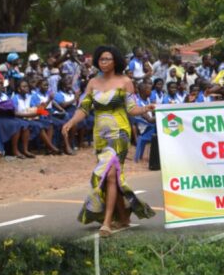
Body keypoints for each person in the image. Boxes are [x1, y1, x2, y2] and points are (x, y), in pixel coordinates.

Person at [61, 45, 156, 236]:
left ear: (116, 61)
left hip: (119, 132)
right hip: (100, 135)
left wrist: (146, 108)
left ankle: (106, 222)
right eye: (101, 59)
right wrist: (70, 122)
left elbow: (131, 109)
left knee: (109, 173)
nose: (104, 62)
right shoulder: (92, 83)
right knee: (111, 176)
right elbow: (84, 109)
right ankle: (123, 217)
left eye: (108, 59)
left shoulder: (125, 81)